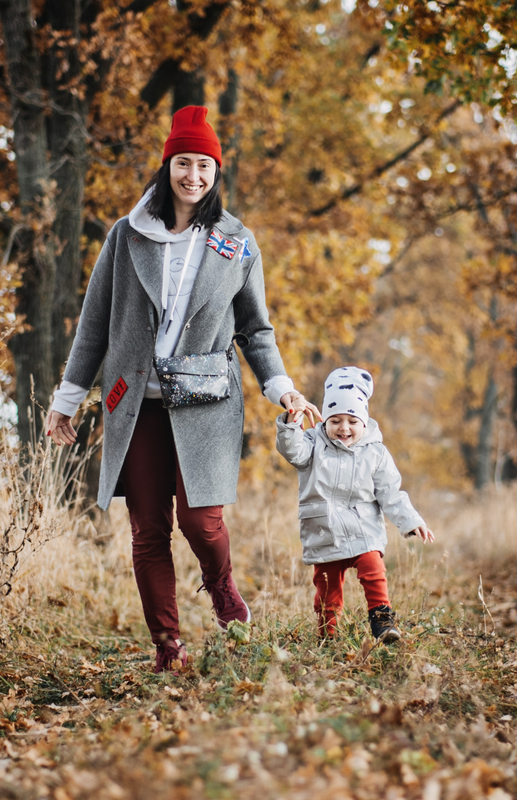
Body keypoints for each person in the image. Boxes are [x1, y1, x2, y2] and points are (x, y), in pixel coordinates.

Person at [46, 106, 319, 673]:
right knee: (148, 532)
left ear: (216, 171)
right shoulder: (127, 235)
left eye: (204, 165)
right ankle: (167, 646)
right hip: (135, 402)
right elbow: (95, 321)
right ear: (167, 165)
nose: (193, 175)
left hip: (207, 402)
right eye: (183, 162)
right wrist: (66, 401)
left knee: (201, 522)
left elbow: (255, 328)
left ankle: (222, 589)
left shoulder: (237, 242)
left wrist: (283, 388)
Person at [276, 366, 434, 642]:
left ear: (364, 421)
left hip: (363, 528)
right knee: (327, 590)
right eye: (335, 420)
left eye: (352, 420)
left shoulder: (375, 452)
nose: (343, 428)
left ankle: (382, 621)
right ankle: (328, 636)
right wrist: (292, 422)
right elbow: (292, 451)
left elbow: (391, 492)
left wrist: (412, 520)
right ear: (324, 420)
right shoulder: (312, 443)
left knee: (373, 569)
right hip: (325, 529)